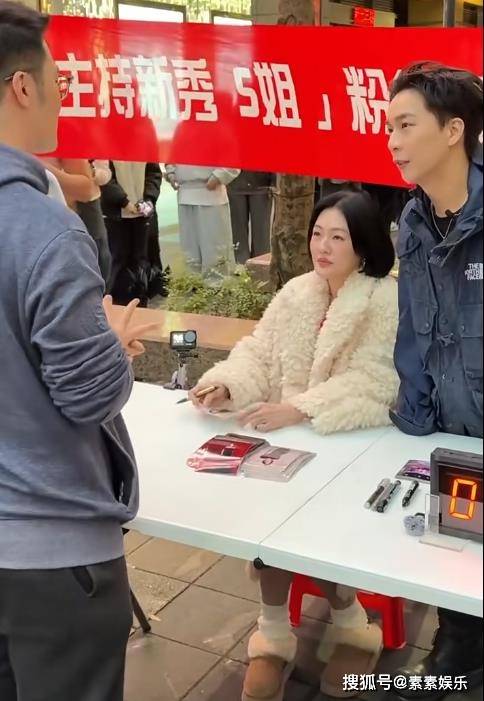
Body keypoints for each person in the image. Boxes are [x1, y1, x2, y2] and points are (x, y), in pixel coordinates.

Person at [0, 3, 157, 700]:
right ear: (22, 86)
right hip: (52, 556)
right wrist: (113, 347)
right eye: (57, 79)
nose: (64, 94)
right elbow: (88, 395)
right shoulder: (43, 226)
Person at [189, 191, 399, 700]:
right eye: (317, 234)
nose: (322, 247)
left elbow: (377, 381)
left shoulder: (385, 299)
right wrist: (226, 385)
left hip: (352, 445)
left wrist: (301, 408)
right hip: (290, 444)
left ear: (363, 246)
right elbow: (259, 352)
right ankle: (273, 634)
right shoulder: (297, 292)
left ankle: (353, 625)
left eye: (338, 237)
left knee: (313, 525)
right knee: (267, 520)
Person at [387, 61, 483, 700]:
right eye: (388, 127)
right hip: (451, 437)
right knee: (456, 566)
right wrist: (413, 422)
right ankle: (457, 649)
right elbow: (413, 333)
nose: (392, 141)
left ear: (453, 130)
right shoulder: (414, 224)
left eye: (405, 125)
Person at [100, 160, 162, 306]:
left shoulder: (144, 149)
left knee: (141, 259)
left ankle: (140, 299)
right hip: (116, 215)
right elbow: (104, 179)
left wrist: (149, 198)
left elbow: (154, 173)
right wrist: (124, 202)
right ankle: (117, 302)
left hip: (142, 214)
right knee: (118, 259)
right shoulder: (105, 150)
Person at [166, 163, 240, 276]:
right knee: (190, 251)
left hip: (211, 193)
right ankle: (192, 281)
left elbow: (233, 159)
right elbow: (170, 156)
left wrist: (219, 175)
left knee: (214, 248)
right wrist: (170, 171)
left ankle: (217, 283)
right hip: (185, 192)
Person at [227, 169, 275, 264]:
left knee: (261, 233)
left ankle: (260, 264)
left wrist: (274, 182)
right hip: (235, 183)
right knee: (237, 232)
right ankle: (240, 265)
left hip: (262, 184)